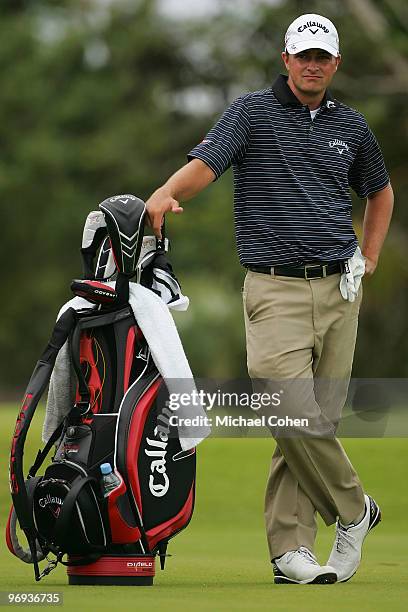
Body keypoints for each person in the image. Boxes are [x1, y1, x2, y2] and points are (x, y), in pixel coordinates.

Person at [145, 13, 393, 584]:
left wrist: (371, 257)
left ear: (335, 64)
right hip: (274, 285)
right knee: (289, 407)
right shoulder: (251, 112)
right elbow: (206, 166)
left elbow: (380, 194)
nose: (311, 64)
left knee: (308, 425)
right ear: (285, 59)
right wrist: (165, 191)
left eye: (322, 56)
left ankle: (290, 554)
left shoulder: (352, 127)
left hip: (340, 288)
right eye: (302, 55)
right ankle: (356, 510)